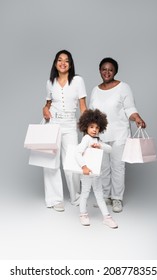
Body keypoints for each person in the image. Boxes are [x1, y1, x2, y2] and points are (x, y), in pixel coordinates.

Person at [89, 57, 146, 213]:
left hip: (119, 134)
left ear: (115, 71)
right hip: (100, 135)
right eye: (104, 69)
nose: (107, 72)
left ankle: (117, 199)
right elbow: (91, 114)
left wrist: (137, 118)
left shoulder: (123, 87)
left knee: (118, 167)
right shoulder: (95, 90)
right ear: (99, 70)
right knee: (103, 167)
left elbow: (130, 108)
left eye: (110, 69)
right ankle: (106, 196)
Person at [42, 50, 87, 211]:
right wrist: (45, 109)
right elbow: (48, 104)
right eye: (59, 60)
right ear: (55, 63)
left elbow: (83, 107)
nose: (63, 63)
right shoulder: (50, 82)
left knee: (72, 161)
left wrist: (87, 127)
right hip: (52, 123)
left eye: (66, 60)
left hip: (69, 124)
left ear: (70, 64)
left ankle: (76, 197)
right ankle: (55, 199)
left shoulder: (77, 81)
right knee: (50, 163)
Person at [75, 109, 118, 229]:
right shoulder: (86, 139)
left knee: (99, 194)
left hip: (96, 173)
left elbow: (109, 149)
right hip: (87, 173)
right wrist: (84, 167)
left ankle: (107, 218)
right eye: (92, 127)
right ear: (86, 127)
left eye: (97, 127)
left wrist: (100, 145)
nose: (94, 129)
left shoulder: (98, 140)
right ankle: (83, 215)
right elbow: (77, 153)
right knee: (85, 193)